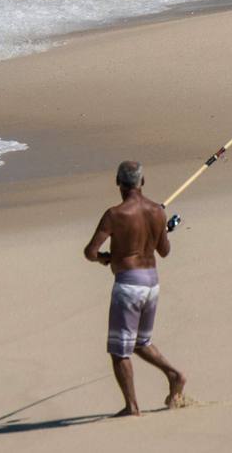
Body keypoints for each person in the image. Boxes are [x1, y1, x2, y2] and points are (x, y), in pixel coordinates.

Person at [83, 160, 186, 416]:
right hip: (152, 282)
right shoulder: (156, 211)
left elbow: (90, 251)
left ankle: (132, 406)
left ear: (118, 182)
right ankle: (174, 375)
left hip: (129, 284)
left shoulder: (115, 214)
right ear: (142, 181)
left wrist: (105, 258)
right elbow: (164, 251)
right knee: (141, 342)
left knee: (120, 351)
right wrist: (163, 230)